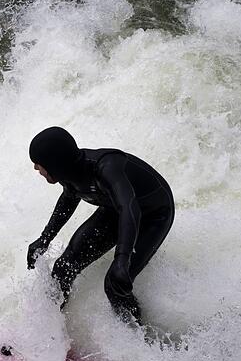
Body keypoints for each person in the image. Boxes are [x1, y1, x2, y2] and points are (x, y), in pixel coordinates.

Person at [27, 126, 174, 324]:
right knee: (64, 268)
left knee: (114, 284)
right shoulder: (68, 173)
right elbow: (69, 198)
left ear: (55, 163)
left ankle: (141, 337)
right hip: (116, 210)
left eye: (39, 164)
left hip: (153, 215)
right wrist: (45, 239)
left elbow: (130, 209)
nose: (36, 168)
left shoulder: (107, 167)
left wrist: (122, 258)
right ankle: (47, 327)